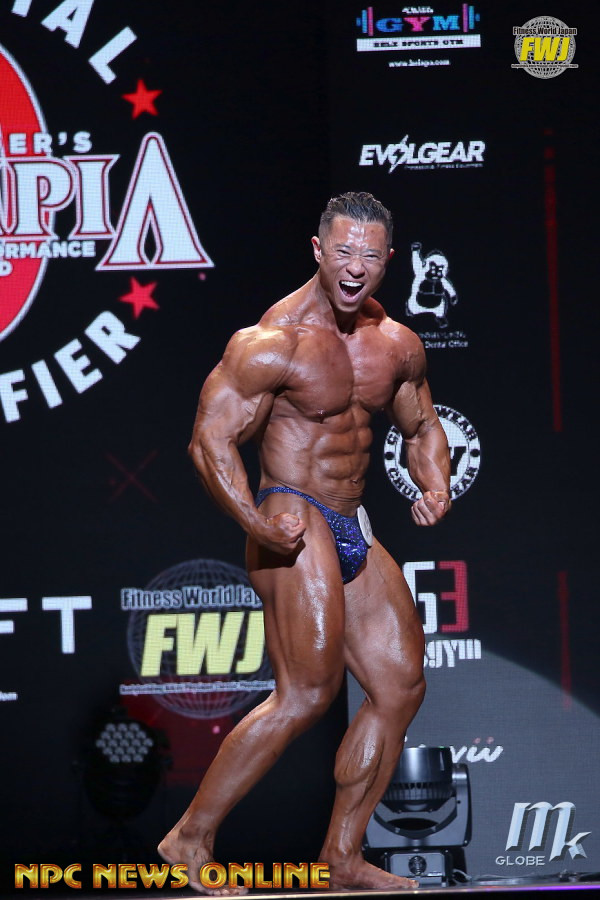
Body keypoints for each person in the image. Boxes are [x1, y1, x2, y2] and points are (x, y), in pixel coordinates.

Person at [159, 192, 451, 893]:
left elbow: (421, 425)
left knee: (400, 687)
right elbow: (210, 442)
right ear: (319, 251)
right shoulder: (273, 341)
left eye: (370, 256)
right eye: (342, 251)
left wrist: (436, 484)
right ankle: (189, 837)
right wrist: (256, 524)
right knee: (308, 693)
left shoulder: (396, 343)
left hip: (352, 519)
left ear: (388, 260)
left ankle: (342, 857)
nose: (355, 267)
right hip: (290, 512)